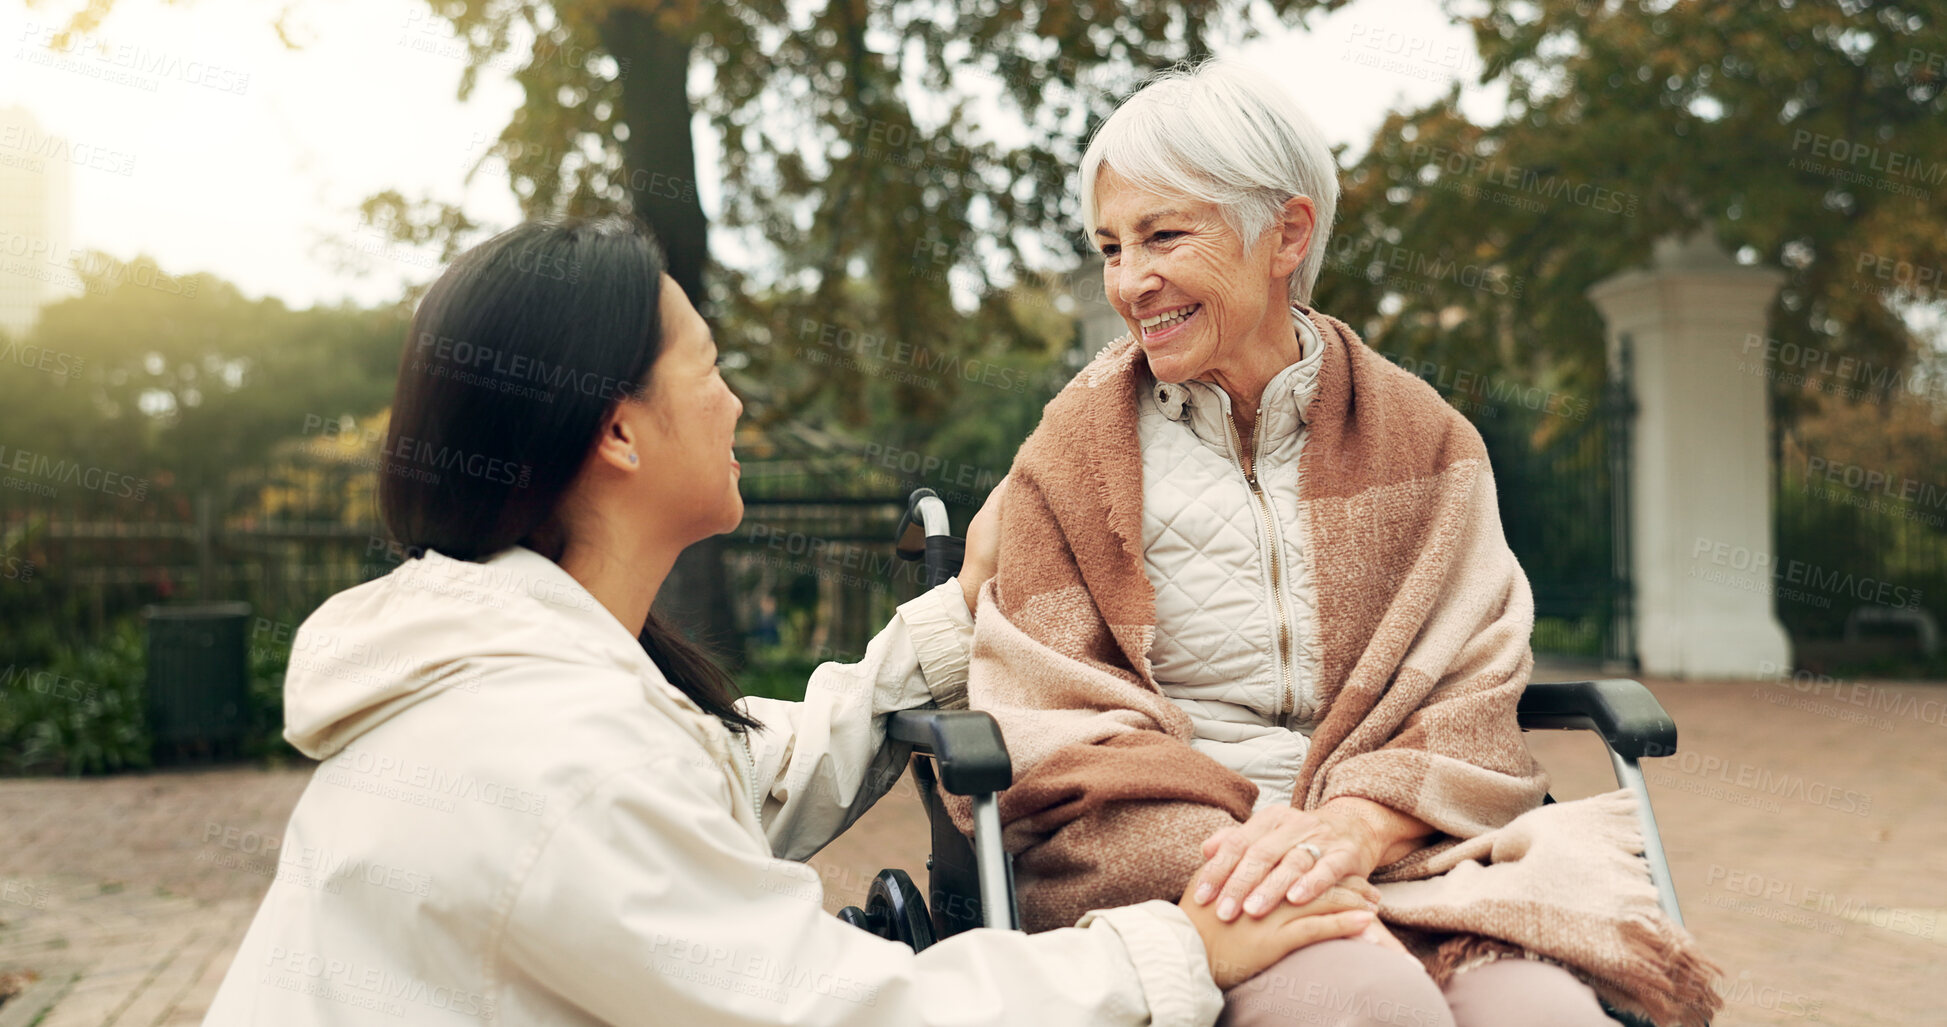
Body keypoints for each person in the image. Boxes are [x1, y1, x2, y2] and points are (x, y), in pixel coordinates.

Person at [201, 214, 1382, 1026]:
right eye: (708, 368)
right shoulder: (545, 756)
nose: (737, 400)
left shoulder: (525, 671)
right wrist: (1175, 952)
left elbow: (737, 776)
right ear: (616, 433)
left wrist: (956, 617)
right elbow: (829, 1006)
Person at [958, 59, 1720, 1027]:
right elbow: (1047, 721)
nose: (1129, 281)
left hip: (1411, 844)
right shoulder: (1071, 458)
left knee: (1543, 1013)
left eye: (1163, 236)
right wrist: (1262, 848)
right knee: (1365, 999)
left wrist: (1352, 829)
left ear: (1286, 232)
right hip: (1166, 855)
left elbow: (1469, 693)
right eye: (1111, 246)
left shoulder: (1427, 440)